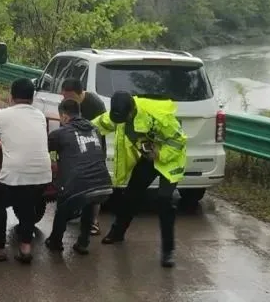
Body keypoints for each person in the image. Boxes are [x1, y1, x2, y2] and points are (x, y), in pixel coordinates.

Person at [93, 90, 187, 268]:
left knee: (165, 200)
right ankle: (117, 232)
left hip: (170, 158)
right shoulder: (120, 112)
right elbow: (100, 123)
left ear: (131, 111)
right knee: (131, 194)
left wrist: (159, 154)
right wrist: (79, 129)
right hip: (148, 156)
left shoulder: (158, 116)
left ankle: (168, 251)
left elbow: (179, 141)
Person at [0, 78, 52, 263]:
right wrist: (4, 143)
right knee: (28, 206)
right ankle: (25, 249)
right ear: (32, 97)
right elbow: (25, 139)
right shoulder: (40, 115)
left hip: (14, 174)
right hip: (43, 174)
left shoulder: (2, 115)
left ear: (11, 96)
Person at [44, 99, 113, 255]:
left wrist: (54, 162)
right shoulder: (95, 129)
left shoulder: (59, 133)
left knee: (63, 205)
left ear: (64, 116)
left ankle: (55, 241)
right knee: (89, 202)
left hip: (79, 185)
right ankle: (83, 243)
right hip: (104, 184)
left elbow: (47, 151)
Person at [60, 78, 108, 235]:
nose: (66, 100)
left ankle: (93, 221)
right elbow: (63, 128)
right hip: (74, 146)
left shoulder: (95, 104)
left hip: (93, 146)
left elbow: (100, 130)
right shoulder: (66, 103)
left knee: (94, 185)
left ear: (80, 94)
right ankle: (75, 211)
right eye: (64, 96)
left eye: (69, 97)